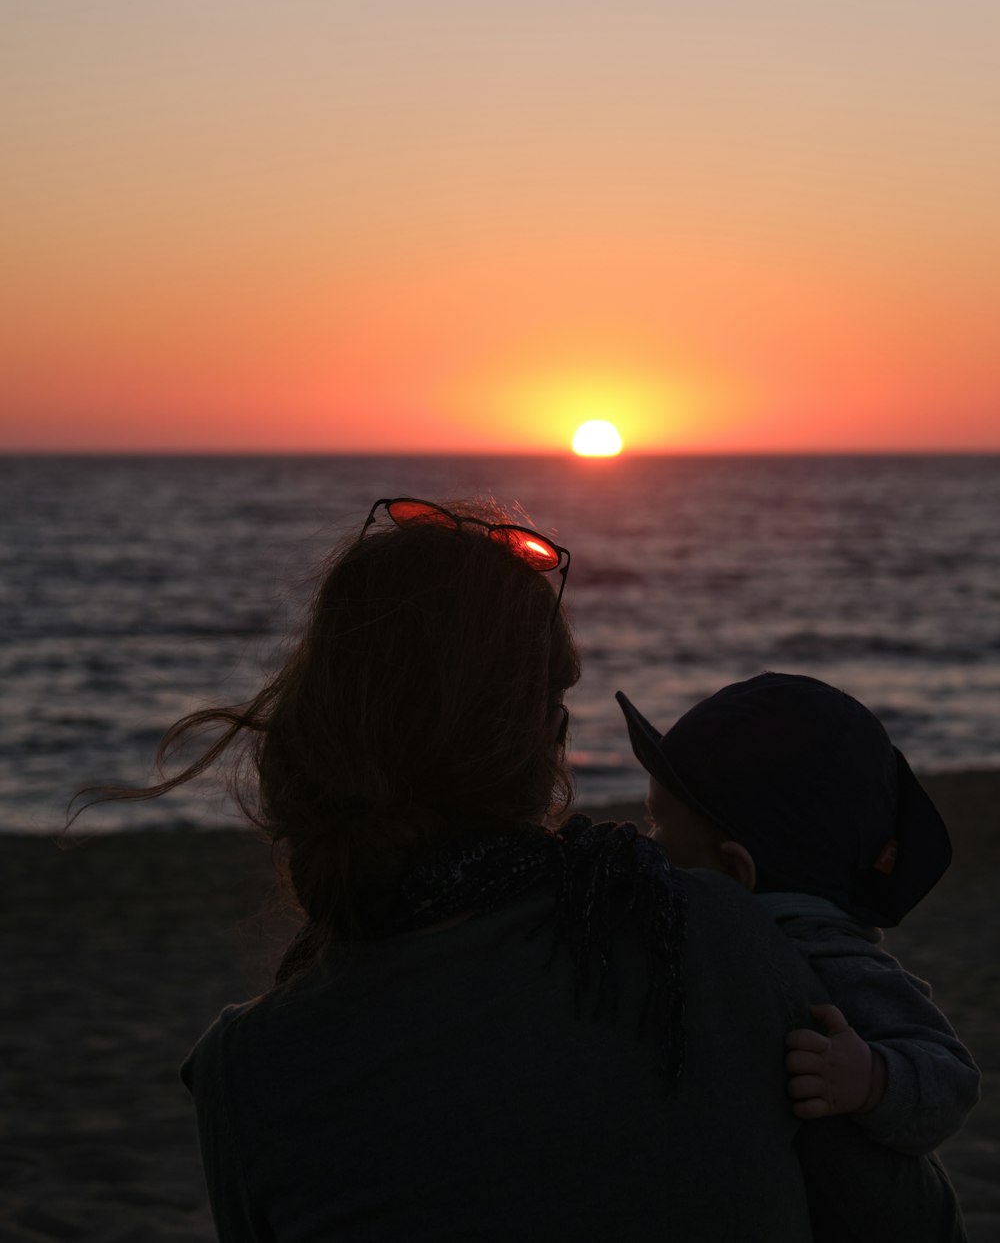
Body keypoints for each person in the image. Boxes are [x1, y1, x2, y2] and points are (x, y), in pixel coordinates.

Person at [73, 501, 967, 1242]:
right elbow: (914, 1225)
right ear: (539, 741)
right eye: (558, 697)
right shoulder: (702, 930)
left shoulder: (243, 1073)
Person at [616, 672, 981, 1159]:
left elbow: (952, 1078)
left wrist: (869, 1078)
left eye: (656, 823)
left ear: (732, 871)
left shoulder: (829, 961)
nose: (648, 840)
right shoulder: (700, 928)